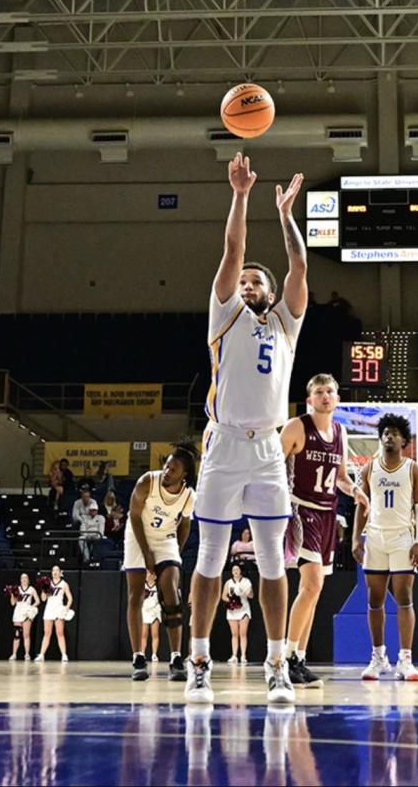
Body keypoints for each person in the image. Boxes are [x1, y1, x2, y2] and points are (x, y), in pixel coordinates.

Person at [184, 153, 309, 706]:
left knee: (272, 560)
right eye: (248, 280)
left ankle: (276, 662)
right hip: (225, 444)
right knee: (210, 559)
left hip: (267, 452)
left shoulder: (284, 324)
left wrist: (285, 217)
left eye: (261, 280)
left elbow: (300, 271)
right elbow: (233, 251)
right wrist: (241, 195)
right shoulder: (226, 314)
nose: (252, 283)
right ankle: (199, 661)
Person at [281, 373, 368, 689]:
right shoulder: (296, 427)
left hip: (328, 514)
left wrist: (355, 490)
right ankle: (285, 657)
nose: (325, 396)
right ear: (310, 399)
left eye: (330, 391)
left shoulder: (341, 431)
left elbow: (342, 476)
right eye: (319, 391)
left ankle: (299, 659)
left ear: (338, 398)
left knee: (314, 591)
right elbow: (273, 466)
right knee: (312, 583)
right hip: (300, 510)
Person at [351, 414, 418, 681]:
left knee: (404, 596)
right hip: (375, 537)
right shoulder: (368, 469)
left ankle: (405, 659)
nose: (389, 436)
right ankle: (378, 657)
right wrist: (355, 539)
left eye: (395, 433)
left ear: (404, 440)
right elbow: (361, 506)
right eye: (385, 432)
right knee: (374, 599)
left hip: (402, 537)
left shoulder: (413, 469)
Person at [124, 443, 197, 682]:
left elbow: (185, 524)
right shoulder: (147, 481)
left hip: (165, 538)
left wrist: (176, 551)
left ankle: (176, 658)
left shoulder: (188, 495)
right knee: (136, 595)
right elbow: (134, 515)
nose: (167, 471)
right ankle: (138, 658)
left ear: (184, 474)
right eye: (166, 465)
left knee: (171, 595)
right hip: (137, 536)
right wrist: (146, 554)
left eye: (174, 469)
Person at [36, 565, 71, 662]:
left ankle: (64, 654)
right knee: (47, 633)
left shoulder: (64, 584)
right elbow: (43, 599)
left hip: (58, 609)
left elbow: (70, 598)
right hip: (49, 609)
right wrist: (44, 589)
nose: (55, 572)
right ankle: (42, 654)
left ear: (60, 572)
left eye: (57, 570)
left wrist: (66, 607)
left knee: (60, 633)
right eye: (53, 570)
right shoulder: (48, 583)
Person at [223, 564, 253, 665]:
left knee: (243, 634)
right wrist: (231, 602)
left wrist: (245, 593)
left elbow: (251, 595)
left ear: (240, 571)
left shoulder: (246, 581)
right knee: (234, 634)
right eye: (233, 570)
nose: (235, 571)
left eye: (237, 569)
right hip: (233, 610)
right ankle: (234, 655)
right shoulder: (228, 582)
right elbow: (223, 596)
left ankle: (243, 656)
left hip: (244, 608)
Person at [9, 573, 39, 661]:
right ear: (20, 580)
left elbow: (37, 601)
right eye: (22, 578)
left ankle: (26, 654)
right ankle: (14, 654)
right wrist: (12, 595)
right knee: (16, 634)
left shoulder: (31, 589)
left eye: (26, 577)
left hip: (26, 613)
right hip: (18, 612)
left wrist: (31, 608)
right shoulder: (17, 589)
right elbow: (13, 603)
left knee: (26, 634)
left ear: (28, 580)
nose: (24, 579)